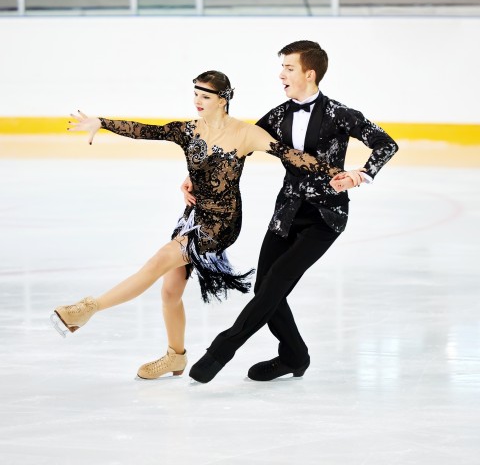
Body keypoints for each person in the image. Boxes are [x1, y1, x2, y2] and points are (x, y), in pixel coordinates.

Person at [50, 69, 362, 380]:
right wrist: (102, 123)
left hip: (221, 225)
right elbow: (146, 130)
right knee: (170, 292)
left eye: (206, 96)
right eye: (196, 94)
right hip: (194, 217)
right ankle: (175, 357)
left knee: (157, 261)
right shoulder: (188, 131)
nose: (198, 101)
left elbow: (291, 155)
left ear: (223, 100)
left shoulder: (245, 134)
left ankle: (88, 308)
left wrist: (337, 173)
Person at [187, 41, 399, 383]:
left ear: (309, 74)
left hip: (325, 217)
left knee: (275, 284)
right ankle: (295, 355)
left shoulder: (340, 114)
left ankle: (220, 351)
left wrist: (360, 175)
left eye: (288, 68)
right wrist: (194, 176)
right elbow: (235, 145)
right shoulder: (278, 115)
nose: (281, 74)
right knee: (265, 289)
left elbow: (386, 144)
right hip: (286, 212)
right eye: (281, 67)